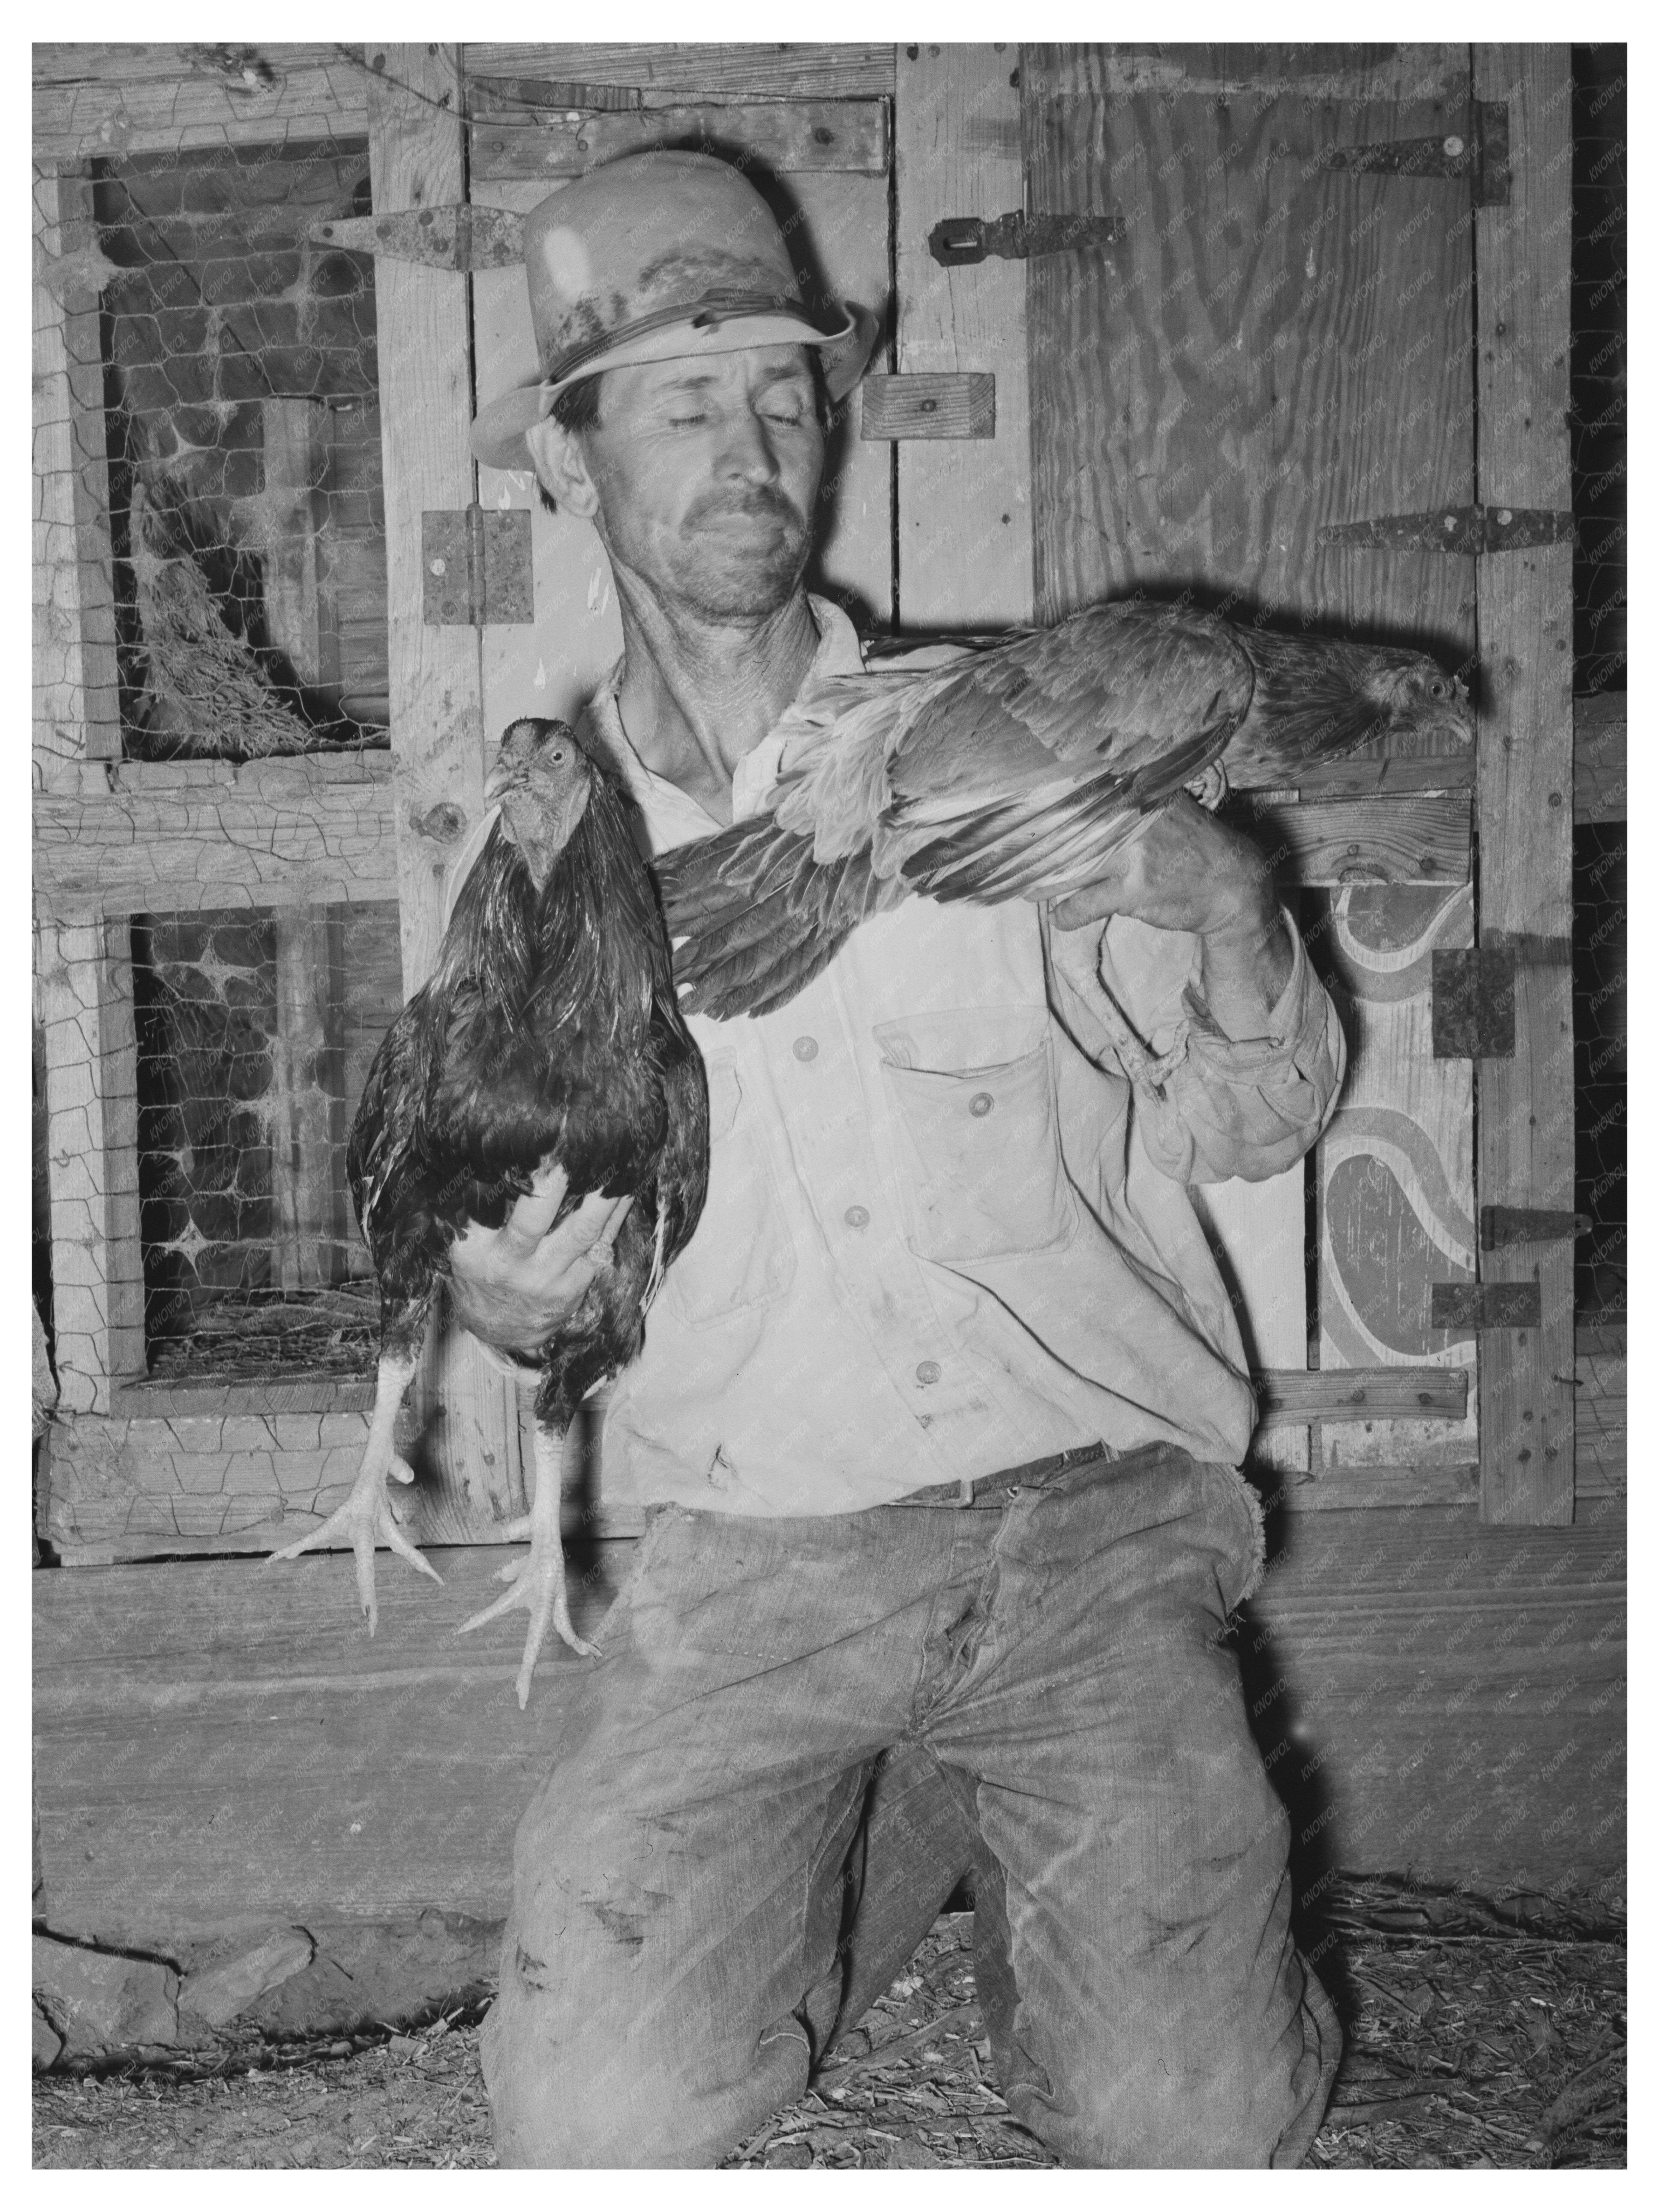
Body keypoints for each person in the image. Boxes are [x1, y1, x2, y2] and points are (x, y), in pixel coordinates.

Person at [455, 148, 1345, 2169]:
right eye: (682, 404)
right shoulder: (533, 849)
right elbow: (526, 1275)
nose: (750, 446)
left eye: (781, 394)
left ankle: (1040, 1865)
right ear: (571, 462)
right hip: (756, 1564)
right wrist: (516, 1313)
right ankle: (914, 1818)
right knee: (595, 2118)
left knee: (1197, 2127)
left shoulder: (1014, 728)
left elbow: (1256, 1120)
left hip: (1092, 1531)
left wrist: (1227, 909)